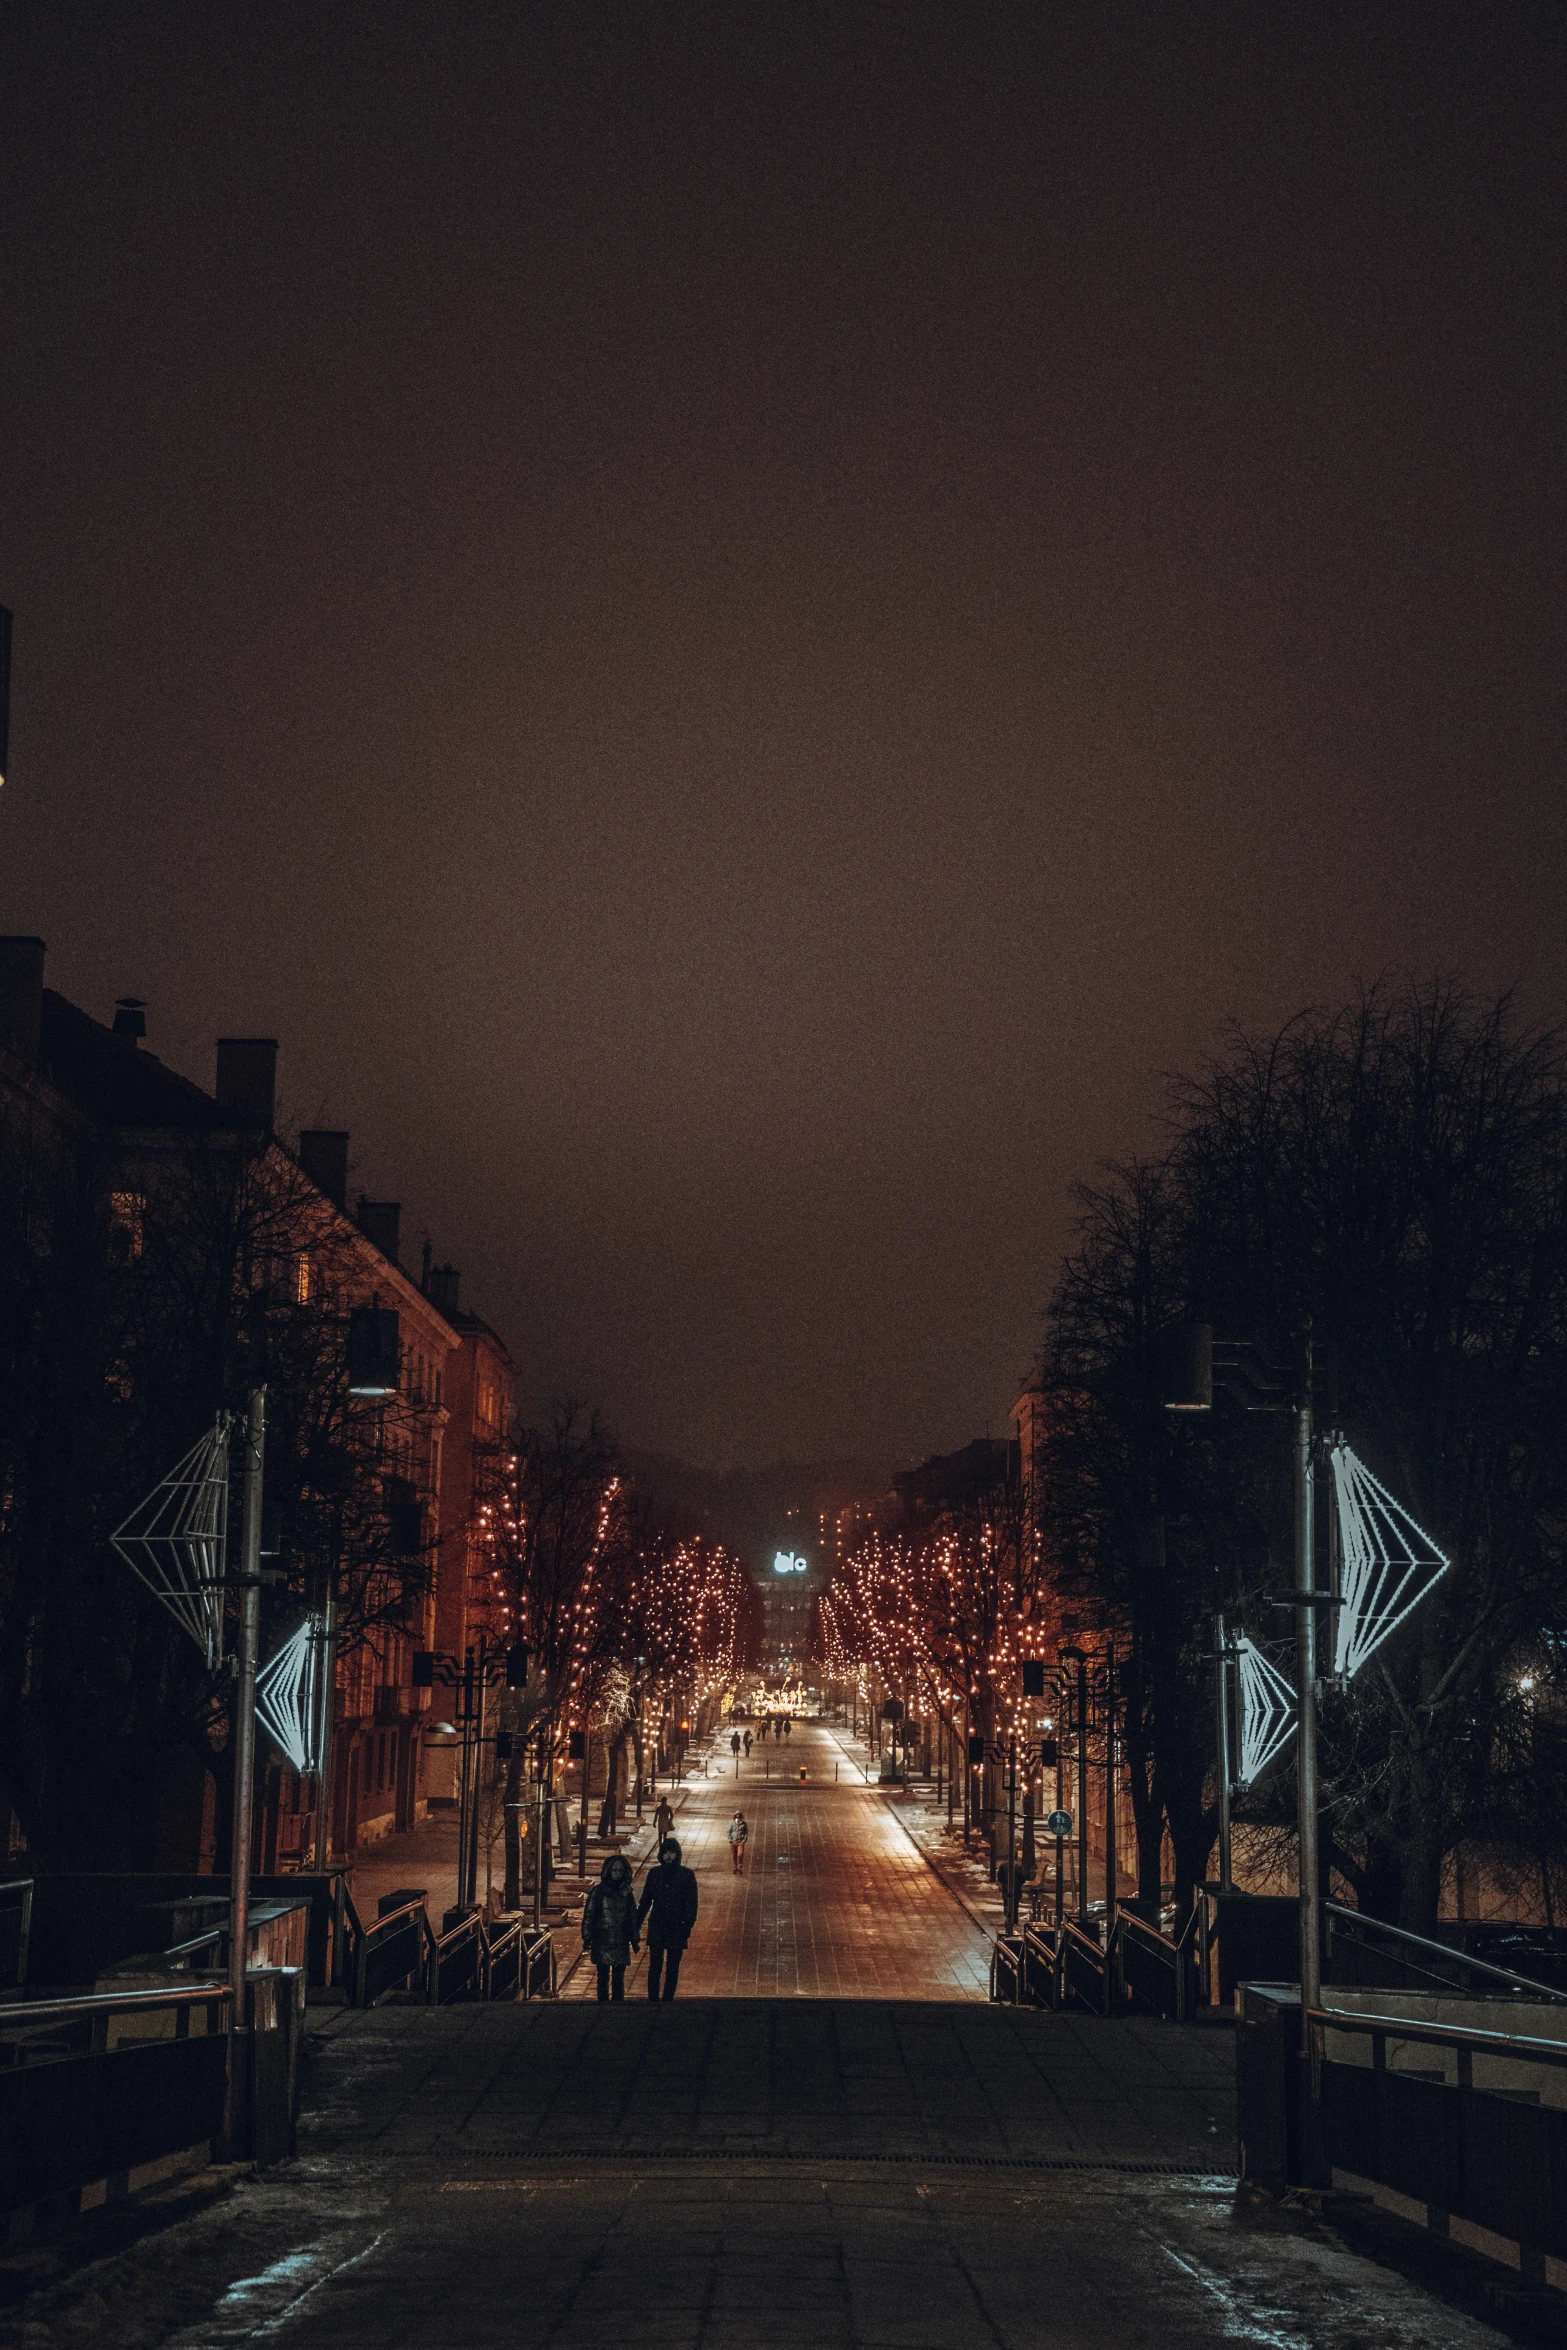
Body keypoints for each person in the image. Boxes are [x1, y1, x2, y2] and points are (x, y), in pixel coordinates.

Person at [637, 1836, 699, 2000]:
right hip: (658, 1925)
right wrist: (635, 1925)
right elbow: (645, 1901)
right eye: (666, 1853)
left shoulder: (686, 1875)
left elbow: (691, 1904)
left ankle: (668, 1999)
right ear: (661, 1855)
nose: (669, 1857)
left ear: (677, 1854)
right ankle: (653, 1999)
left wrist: (686, 1926)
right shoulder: (654, 1873)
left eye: (672, 1853)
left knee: (672, 1967)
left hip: (677, 1927)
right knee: (655, 1966)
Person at [582, 1853, 639, 2001]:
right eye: (614, 1870)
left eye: (620, 1870)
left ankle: (617, 2006)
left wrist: (634, 1938)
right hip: (602, 1939)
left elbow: (632, 1917)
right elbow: (589, 1915)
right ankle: (602, 2004)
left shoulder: (626, 1893)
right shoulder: (598, 1892)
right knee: (602, 1977)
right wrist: (587, 1936)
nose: (617, 1874)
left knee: (618, 1978)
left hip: (620, 1939)